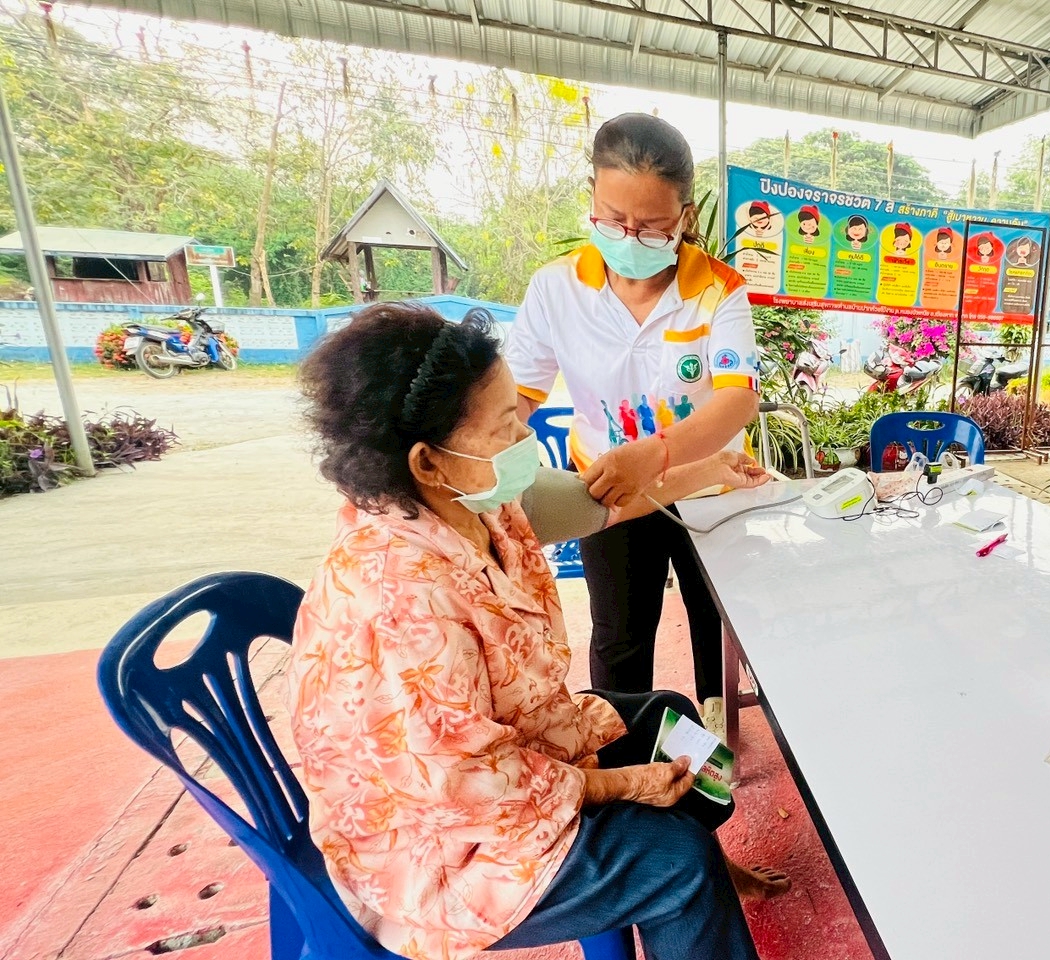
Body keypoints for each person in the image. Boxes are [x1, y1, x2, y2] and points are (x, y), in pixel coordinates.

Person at [288, 303, 787, 960]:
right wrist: (621, 784)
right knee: (676, 863)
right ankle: (696, 881)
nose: (525, 434)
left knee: (669, 718)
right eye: (505, 425)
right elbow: (463, 785)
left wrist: (710, 470)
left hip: (508, 755)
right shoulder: (399, 597)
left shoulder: (474, 501)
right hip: (439, 846)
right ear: (427, 462)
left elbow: (595, 503)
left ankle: (712, 875)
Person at [505, 113, 762, 738]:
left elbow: (737, 400)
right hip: (608, 490)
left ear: (685, 217)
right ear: (593, 198)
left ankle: (715, 742)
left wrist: (656, 454)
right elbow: (517, 396)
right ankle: (629, 745)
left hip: (709, 486)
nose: (629, 236)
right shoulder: (556, 289)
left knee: (714, 619)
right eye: (613, 218)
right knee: (620, 633)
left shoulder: (718, 290)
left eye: (650, 226)